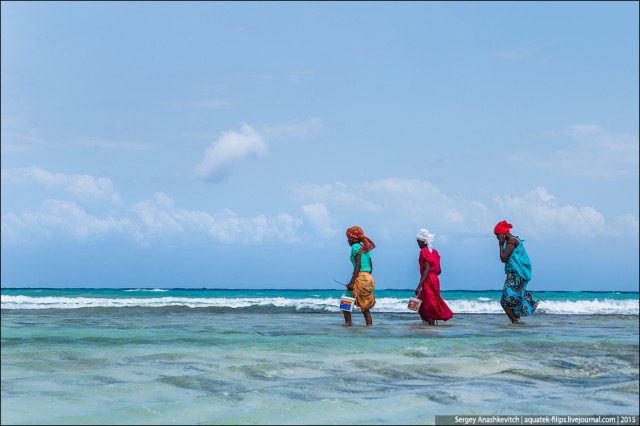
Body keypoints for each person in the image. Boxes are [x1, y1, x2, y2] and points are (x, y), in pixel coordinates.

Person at [494, 220, 538, 324]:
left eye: (497, 235)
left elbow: (504, 258)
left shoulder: (512, 241)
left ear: (502, 234)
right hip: (516, 275)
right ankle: (517, 324)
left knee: (505, 302)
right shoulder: (514, 240)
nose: (497, 238)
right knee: (515, 301)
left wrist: (500, 245)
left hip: (516, 275)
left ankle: (515, 321)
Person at [413, 229, 454, 325]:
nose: (417, 244)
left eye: (418, 241)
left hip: (428, 280)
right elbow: (439, 270)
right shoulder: (435, 252)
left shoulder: (423, 251)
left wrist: (419, 286)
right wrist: (433, 273)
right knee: (426, 303)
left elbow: (426, 269)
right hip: (435, 279)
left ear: (422, 241)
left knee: (428, 306)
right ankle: (429, 326)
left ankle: (431, 329)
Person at [343, 226, 376, 326]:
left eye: (348, 238)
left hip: (360, 277)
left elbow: (358, 264)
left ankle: (348, 325)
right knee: (365, 307)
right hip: (369, 278)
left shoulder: (355, 247)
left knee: (346, 302)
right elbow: (370, 266)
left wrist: (352, 282)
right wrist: (367, 279)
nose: (347, 241)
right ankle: (369, 327)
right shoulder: (365, 248)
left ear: (352, 239)